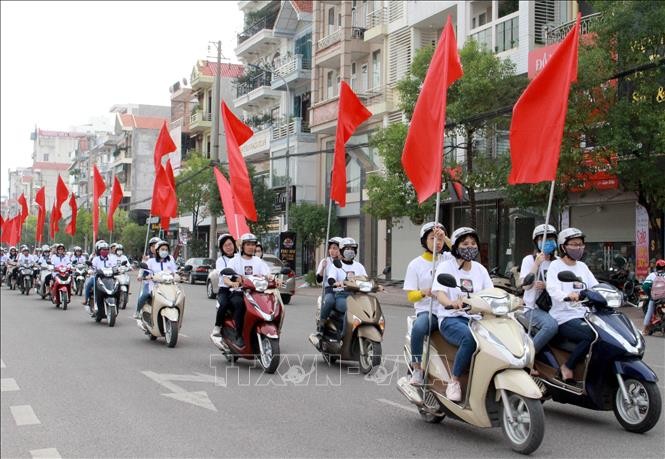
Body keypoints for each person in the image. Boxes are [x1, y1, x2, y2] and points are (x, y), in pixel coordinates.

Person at [431, 227, 493, 402]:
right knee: (469, 338)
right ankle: (454, 380)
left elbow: (490, 293)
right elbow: (440, 293)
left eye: (473, 243)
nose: (470, 247)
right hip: (451, 319)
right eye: (465, 244)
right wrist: (451, 303)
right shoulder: (446, 266)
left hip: (477, 319)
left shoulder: (480, 269)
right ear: (456, 247)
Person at [546, 227, 599, 383]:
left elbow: (594, 286)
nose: (578, 248)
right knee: (591, 335)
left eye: (581, 244)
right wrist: (567, 296)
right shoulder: (556, 266)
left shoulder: (582, 267)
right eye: (574, 245)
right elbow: (552, 288)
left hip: (584, 314)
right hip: (563, 316)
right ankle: (568, 366)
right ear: (563, 247)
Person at [404, 222, 453, 386]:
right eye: (433, 238)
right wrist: (424, 292)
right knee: (419, 328)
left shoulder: (448, 259)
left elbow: (460, 252)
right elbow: (411, 296)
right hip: (429, 310)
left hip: (450, 309)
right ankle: (417, 368)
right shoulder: (415, 264)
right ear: (424, 241)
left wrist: (445, 237)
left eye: (440, 239)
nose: (437, 242)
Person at [519, 224, 560, 360]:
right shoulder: (529, 260)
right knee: (550, 326)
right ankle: (528, 357)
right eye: (543, 239)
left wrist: (546, 285)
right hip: (533, 308)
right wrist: (536, 265)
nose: (548, 242)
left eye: (551, 239)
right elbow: (524, 286)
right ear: (536, 241)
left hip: (555, 307)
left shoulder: (558, 262)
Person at [228, 233, 272, 347]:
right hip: (239, 292)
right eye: (248, 244)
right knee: (239, 305)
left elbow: (267, 273)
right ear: (242, 246)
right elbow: (228, 275)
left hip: (256, 292)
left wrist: (273, 278)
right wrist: (236, 280)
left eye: (253, 244)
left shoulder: (258, 261)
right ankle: (238, 335)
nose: (251, 247)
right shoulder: (235, 260)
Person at [325, 237, 368, 340]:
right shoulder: (337, 265)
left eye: (352, 249)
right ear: (342, 251)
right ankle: (345, 336)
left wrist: (376, 285)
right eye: (347, 249)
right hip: (341, 296)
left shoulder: (359, 266)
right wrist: (336, 283)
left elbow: (366, 279)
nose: (350, 251)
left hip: (358, 296)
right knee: (351, 309)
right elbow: (331, 278)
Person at [134, 240, 178, 319]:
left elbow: (175, 271)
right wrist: (145, 276)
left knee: (177, 295)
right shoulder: (150, 261)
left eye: (166, 250)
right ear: (157, 250)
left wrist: (176, 275)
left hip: (168, 285)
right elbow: (145, 272)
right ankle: (138, 310)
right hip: (153, 285)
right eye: (162, 249)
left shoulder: (169, 261)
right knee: (144, 295)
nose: (164, 251)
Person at [211, 233, 243, 339]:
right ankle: (217, 326)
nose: (228, 247)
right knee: (224, 304)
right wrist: (233, 281)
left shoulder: (240, 257)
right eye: (225, 246)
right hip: (225, 289)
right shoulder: (221, 260)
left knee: (241, 304)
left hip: (239, 289)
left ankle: (241, 330)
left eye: (230, 244)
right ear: (222, 248)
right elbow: (226, 277)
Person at [315, 237, 343, 337]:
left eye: (335, 248)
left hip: (344, 290)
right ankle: (322, 323)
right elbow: (318, 280)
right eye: (330, 248)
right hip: (330, 289)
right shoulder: (325, 261)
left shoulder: (345, 262)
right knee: (330, 301)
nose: (332, 250)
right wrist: (323, 268)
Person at [82, 240, 117, 309]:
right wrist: (90, 271)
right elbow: (92, 267)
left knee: (117, 285)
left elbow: (114, 266)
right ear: (99, 250)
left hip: (109, 278)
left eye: (107, 250)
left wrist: (117, 270)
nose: (105, 251)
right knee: (89, 284)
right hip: (97, 277)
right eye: (103, 250)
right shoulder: (95, 259)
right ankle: (87, 299)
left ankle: (117, 300)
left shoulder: (111, 259)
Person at [641, 259, 665, 335]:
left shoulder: (652, 275)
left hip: (654, 298)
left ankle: (645, 330)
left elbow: (645, 286)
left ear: (656, 267)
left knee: (649, 312)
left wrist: (650, 295)